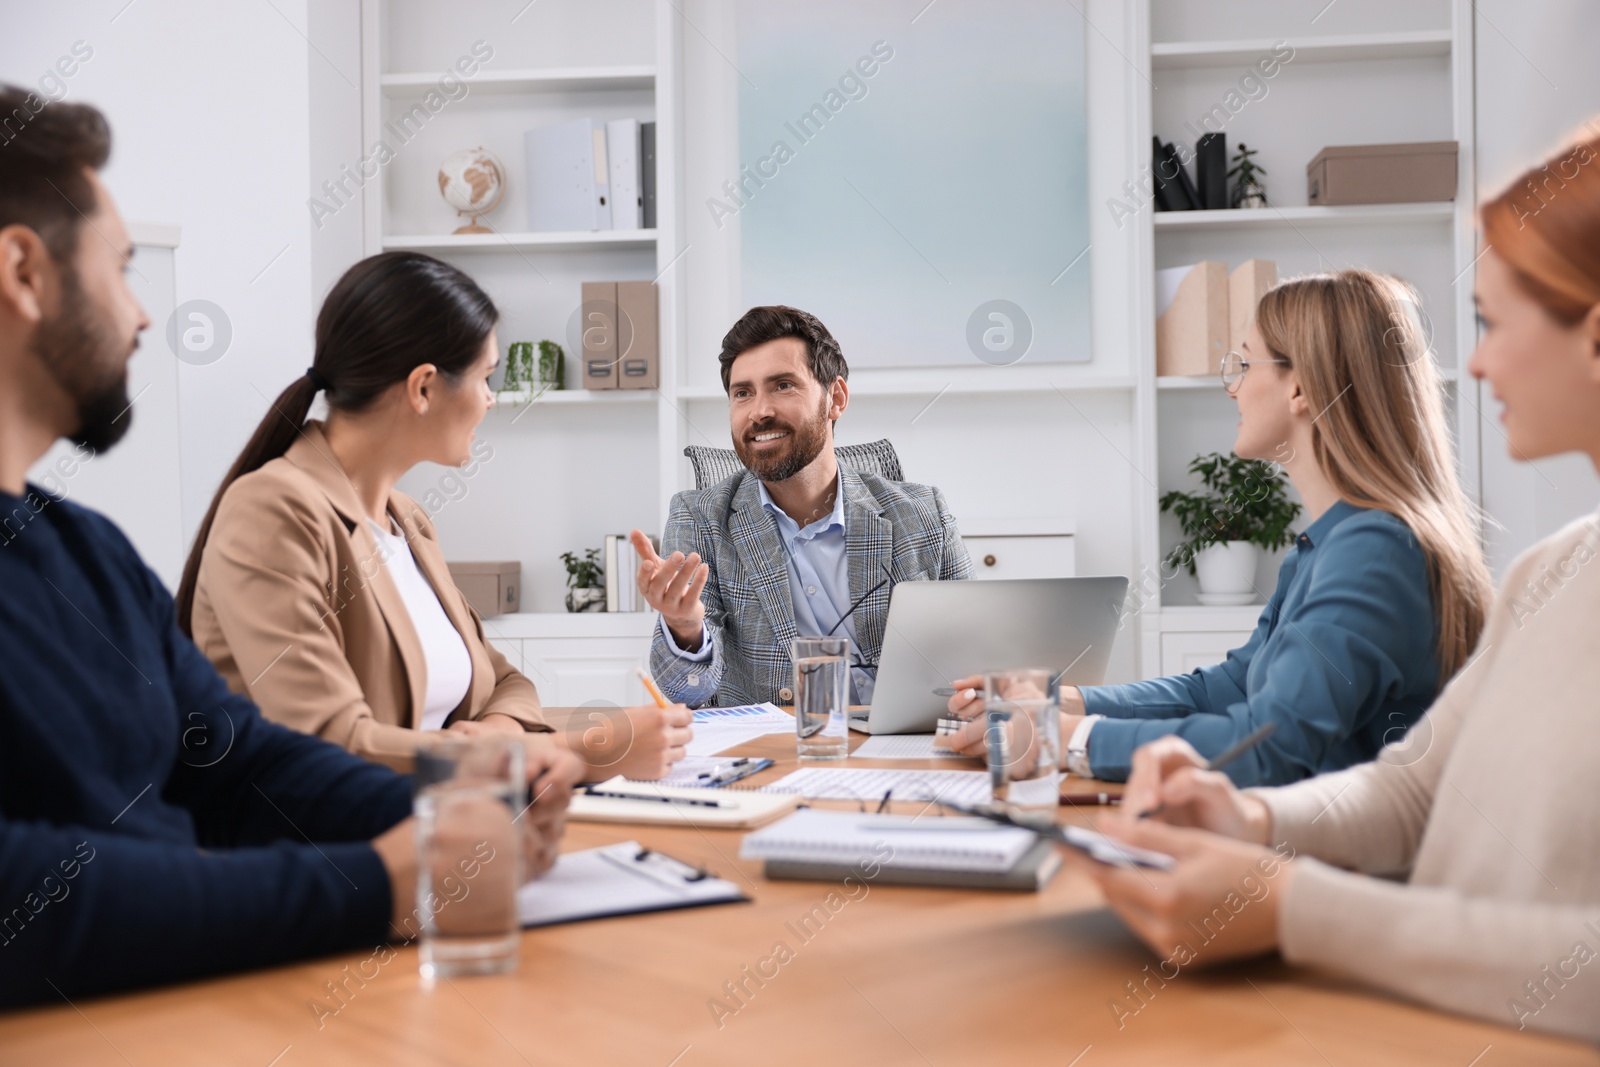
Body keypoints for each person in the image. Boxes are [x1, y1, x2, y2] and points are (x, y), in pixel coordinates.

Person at [0, 86, 582, 1007]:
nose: (145, 317)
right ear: (25, 272)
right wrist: (381, 879)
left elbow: (240, 766)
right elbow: (24, 893)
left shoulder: (89, 554)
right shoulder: (269, 509)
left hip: (181, 1001)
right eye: (121, 267)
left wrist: (460, 819)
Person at [1086, 128, 1600, 1043]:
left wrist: (1291, 903)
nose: (1471, 367)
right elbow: (1410, 790)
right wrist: (1242, 816)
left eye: (1493, 323)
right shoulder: (1554, 569)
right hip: (1429, 1007)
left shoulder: (1377, 547)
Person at [946, 269, 1492, 786]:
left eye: (1244, 365)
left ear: (1299, 388)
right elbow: (1227, 690)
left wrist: (1062, 738)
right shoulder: (1327, 547)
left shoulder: (1374, 550)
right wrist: (1067, 702)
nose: (1230, 387)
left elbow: (1269, 747)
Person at [178, 252, 692, 781]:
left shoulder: (409, 521)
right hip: (315, 850)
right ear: (423, 387)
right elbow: (331, 746)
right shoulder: (273, 511)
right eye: (486, 376)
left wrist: (497, 732)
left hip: (433, 830)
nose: (491, 399)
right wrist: (581, 753)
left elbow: (508, 683)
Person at [631, 305, 972, 708]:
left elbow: (975, 653)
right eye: (743, 393)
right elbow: (686, 691)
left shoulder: (922, 513)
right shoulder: (701, 519)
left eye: (783, 385)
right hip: (777, 756)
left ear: (836, 399)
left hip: (902, 748)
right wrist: (685, 627)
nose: (760, 411)